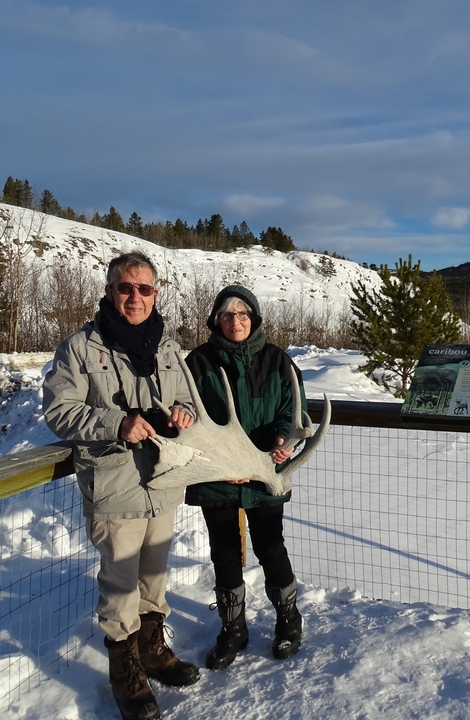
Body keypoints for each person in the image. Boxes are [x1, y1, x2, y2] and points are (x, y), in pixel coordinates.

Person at [43, 252, 200, 720]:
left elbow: (189, 396)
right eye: (125, 287)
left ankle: (153, 651)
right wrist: (115, 423)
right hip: (115, 483)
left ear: (156, 293)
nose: (135, 296)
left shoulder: (169, 347)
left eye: (144, 288)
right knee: (120, 585)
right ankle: (125, 671)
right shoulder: (79, 348)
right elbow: (58, 411)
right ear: (110, 291)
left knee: (154, 577)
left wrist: (184, 412)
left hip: (163, 482)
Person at [184, 285, 306, 670]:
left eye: (242, 314)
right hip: (216, 475)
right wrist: (223, 462)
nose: (235, 321)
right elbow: (186, 414)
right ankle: (232, 628)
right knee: (223, 553)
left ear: (253, 319)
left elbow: (293, 411)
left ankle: (289, 620)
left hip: (265, 472)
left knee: (271, 547)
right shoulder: (198, 362)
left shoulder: (278, 361)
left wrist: (283, 440)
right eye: (226, 315)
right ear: (215, 320)